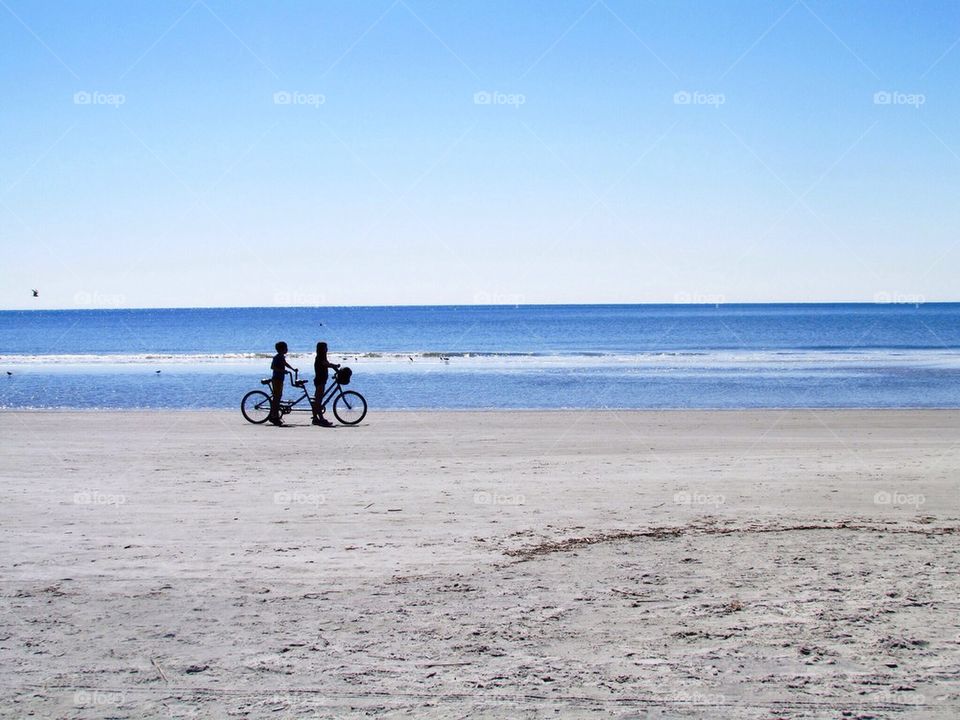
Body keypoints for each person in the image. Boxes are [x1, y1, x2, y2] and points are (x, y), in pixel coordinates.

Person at [268, 341, 297, 426]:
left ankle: (273, 415)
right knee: (276, 398)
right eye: (285, 348)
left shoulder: (282, 357)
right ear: (281, 349)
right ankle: (274, 416)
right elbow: (272, 367)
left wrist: (293, 369)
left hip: (280, 379)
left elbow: (285, 364)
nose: (287, 349)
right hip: (276, 379)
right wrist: (282, 371)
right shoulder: (277, 357)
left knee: (278, 396)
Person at [312, 341, 340, 427]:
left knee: (318, 399)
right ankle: (321, 419)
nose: (327, 349)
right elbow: (326, 365)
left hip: (321, 380)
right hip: (320, 381)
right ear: (322, 349)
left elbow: (327, 364)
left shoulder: (322, 357)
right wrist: (334, 366)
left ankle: (315, 418)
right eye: (325, 348)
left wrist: (335, 368)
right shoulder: (320, 358)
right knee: (318, 400)